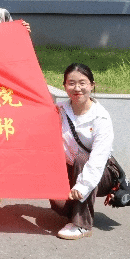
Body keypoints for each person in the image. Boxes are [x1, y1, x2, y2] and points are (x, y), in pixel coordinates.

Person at [50, 63, 116, 240]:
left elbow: (98, 159)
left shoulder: (101, 117)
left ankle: (82, 224)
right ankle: (74, 209)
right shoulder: (59, 110)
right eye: (71, 83)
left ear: (92, 85)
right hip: (71, 168)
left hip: (100, 173)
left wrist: (83, 185)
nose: (77, 88)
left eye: (82, 83)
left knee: (82, 158)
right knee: (59, 205)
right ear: (64, 86)